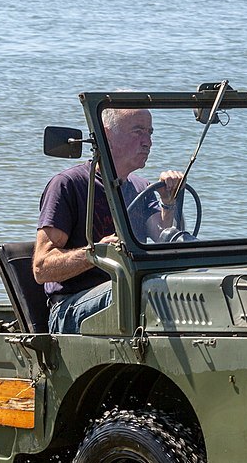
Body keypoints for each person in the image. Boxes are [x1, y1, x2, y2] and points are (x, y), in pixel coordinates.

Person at [33, 108, 182, 333]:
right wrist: (96, 253)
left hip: (127, 295)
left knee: (181, 287)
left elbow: (164, 239)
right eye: (138, 131)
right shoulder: (69, 184)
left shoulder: (142, 188)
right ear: (106, 135)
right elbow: (41, 268)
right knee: (135, 292)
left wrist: (169, 202)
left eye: (150, 133)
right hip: (71, 308)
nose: (147, 142)